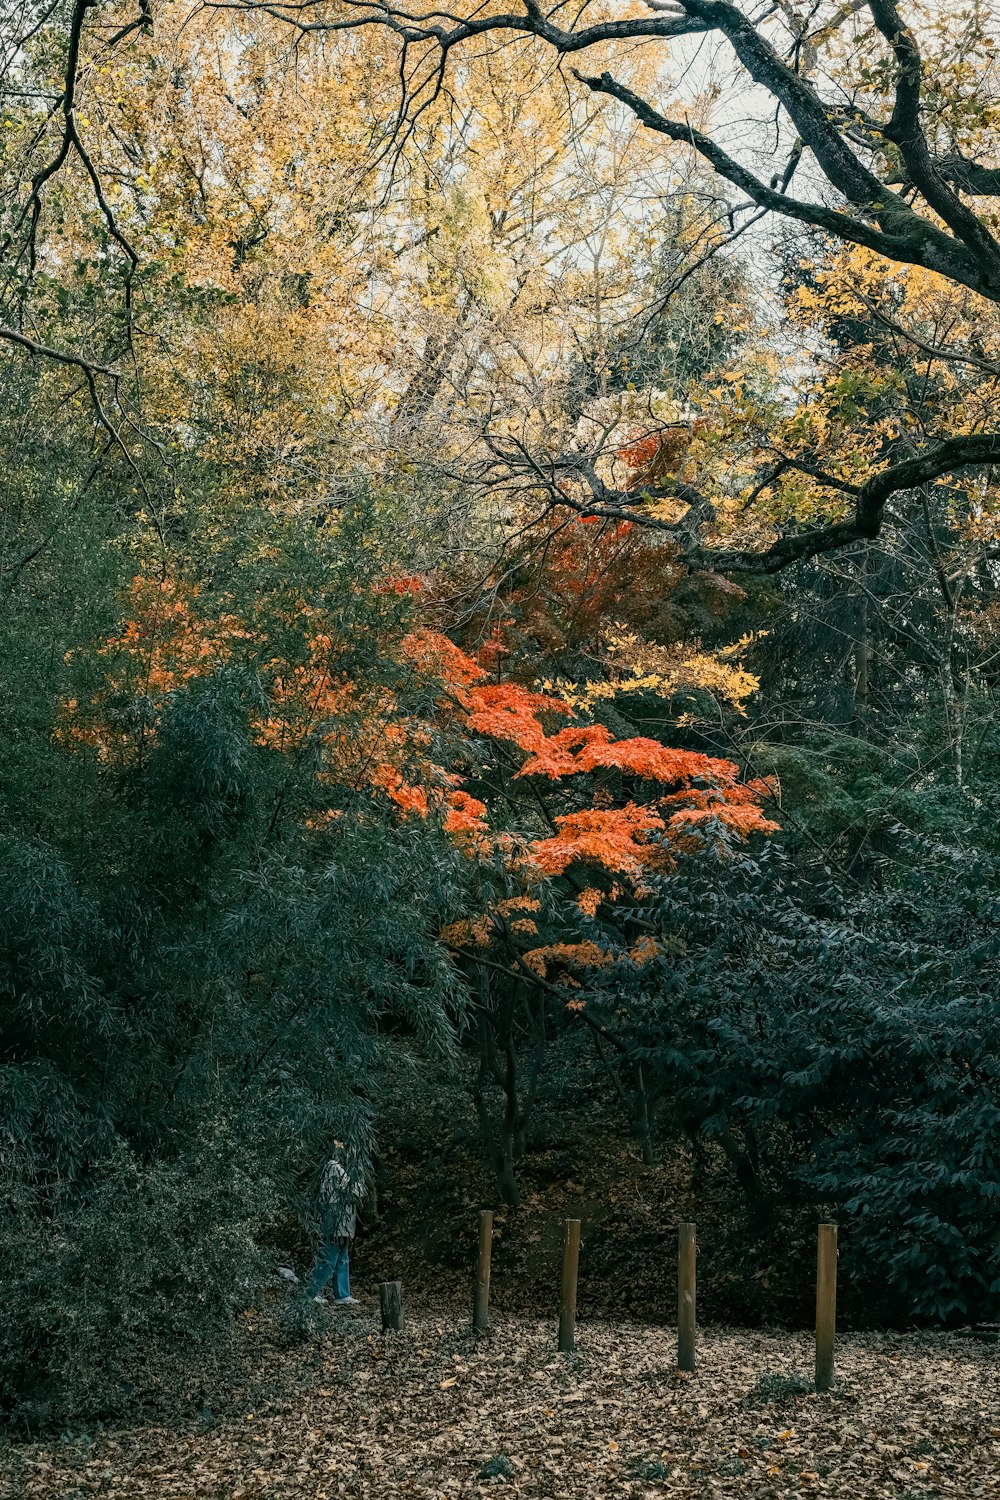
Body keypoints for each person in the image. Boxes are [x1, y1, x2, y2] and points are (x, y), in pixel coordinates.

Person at [307, 1139, 365, 1306]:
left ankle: (342, 1294)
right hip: (337, 1217)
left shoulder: (339, 1168)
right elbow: (354, 1190)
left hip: (343, 1218)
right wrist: (358, 1181)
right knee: (331, 1255)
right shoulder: (333, 1167)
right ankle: (312, 1292)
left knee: (342, 1257)